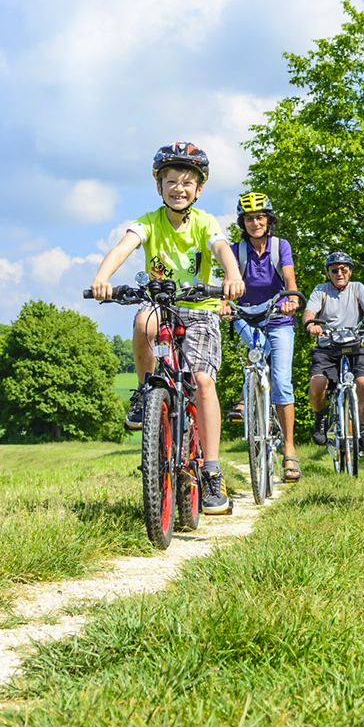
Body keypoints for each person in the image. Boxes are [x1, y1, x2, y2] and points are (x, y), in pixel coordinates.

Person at [90, 141, 245, 514]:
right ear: (158, 186)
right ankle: (146, 393)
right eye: (171, 181)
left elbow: (221, 248)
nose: (179, 188)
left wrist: (233, 274)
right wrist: (102, 277)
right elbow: (123, 247)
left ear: (199, 189)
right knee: (143, 318)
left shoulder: (206, 223)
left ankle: (210, 471)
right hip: (161, 306)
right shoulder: (148, 222)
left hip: (200, 311)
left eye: (187, 182)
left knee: (203, 382)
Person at [223, 191, 303, 483]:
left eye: (260, 217)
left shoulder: (281, 246)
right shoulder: (236, 250)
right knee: (257, 354)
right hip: (246, 316)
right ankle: (249, 397)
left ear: (269, 220)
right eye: (248, 218)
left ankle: (289, 451)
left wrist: (291, 298)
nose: (255, 222)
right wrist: (223, 303)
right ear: (242, 223)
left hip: (278, 317)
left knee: (282, 381)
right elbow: (229, 282)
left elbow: (289, 278)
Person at [302, 251, 364, 454]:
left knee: (363, 383)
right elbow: (309, 312)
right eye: (334, 270)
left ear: (350, 272)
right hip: (327, 348)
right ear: (328, 273)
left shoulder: (358, 288)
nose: (339, 273)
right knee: (318, 382)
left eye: (343, 270)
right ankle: (320, 420)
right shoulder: (321, 291)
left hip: (354, 347)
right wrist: (311, 324)